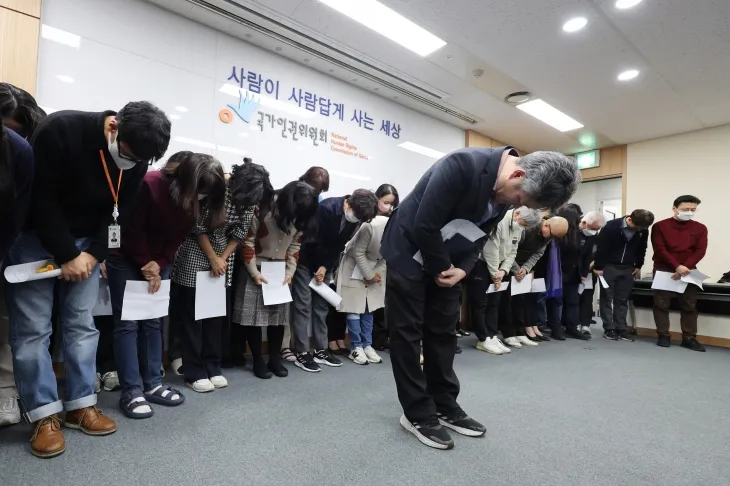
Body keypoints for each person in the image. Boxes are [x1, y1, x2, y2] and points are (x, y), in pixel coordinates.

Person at [380, 147, 580, 450]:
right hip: (408, 252)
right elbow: (425, 224)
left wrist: (462, 268)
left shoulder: (507, 188)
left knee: (444, 333)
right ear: (517, 174)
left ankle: (445, 405)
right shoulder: (460, 165)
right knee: (407, 334)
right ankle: (417, 413)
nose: (516, 205)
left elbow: (481, 232)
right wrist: (443, 267)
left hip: (449, 262)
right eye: (519, 200)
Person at [4, 101, 171, 458]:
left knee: (82, 325)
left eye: (142, 160)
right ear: (115, 128)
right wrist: (67, 253)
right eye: (128, 153)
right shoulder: (62, 129)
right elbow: (40, 198)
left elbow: (119, 212)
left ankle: (80, 405)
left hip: (88, 248)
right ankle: (44, 415)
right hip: (36, 240)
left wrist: (94, 254)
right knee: (33, 329)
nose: (131, 162)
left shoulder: (137, 157)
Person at [106, 152, 226, 418]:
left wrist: (160, 263)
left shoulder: (197, 198)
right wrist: (146, 263)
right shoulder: (149, 184)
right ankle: (131, 390)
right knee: (127, 324)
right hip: (126, 257)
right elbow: (130, 229)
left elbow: (180, 234)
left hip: (160, 261)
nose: (201, 200)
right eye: (200, 193)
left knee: (153, 321)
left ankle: (153, 383)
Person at [170, 160, 269, 392]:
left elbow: (240, 232)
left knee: (215, 317)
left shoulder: (249, 198)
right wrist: (213, 258)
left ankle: (213, 366)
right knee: (194, 319)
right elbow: (197, 227)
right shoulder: (216, 188)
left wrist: (222, 259)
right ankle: (194, 371)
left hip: (224, 257)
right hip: (196, 252)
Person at [234, 181, 318, 378]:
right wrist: (254, 272)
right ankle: (257, 361)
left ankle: (274, 359)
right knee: (255, 320)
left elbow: (294, 248)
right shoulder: (261, 210)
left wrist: (290, 272)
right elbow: (248, 242)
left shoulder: (301, 218)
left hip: (279, 272)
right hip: (256, 269)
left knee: (278, 320)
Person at [290, 190, 379, 372]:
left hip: (325, 265)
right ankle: (301, 352)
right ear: (349, 204)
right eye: (359, 216)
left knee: (321, 308)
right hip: (306, 261)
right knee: (303, 306)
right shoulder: (327, 208)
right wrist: (318, 267)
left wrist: (325, 267)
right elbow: (311, 240)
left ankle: (320, 350)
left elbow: (339, 246)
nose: (358, 220)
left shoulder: (356, 219)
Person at [466, 206, 541, 355]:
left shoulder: (519, 226)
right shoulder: (500, 220)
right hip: (482, 264)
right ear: (517, 213)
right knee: (481, 303)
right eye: (523, 223)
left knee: (495, 302)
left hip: (499, 268)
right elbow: (490, 249)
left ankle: (492, 335)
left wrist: (504, 270)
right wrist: (495, 273)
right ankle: (483, 338)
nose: (523, 227)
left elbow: (513, 251)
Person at [0, 119, 34, 427]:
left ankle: (5, 392)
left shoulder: (19, 149)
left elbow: (16, 216)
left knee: (8, 322)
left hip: (7, 244)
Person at [336, 204, 391, 366]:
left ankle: (367, 345)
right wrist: (369, 275)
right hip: (353, 267)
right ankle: (356, 346)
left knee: (369, 307)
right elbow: (357, 252)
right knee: (354, 307)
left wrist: (376, 275)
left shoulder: (400, 232)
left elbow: (389, 255)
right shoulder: (371, 226)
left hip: (375, 267)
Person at [651, 195, 708, 352]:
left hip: (689, 271)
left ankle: (689, 338)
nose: (689, 212)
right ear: (674, 208)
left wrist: (684, 267)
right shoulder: (660, 226)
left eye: (692, 210)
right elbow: (660, 249)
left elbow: (700, 250)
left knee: (690, 305)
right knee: (661, 304)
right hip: (664, 269)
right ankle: (663, 335)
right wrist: (676, 266)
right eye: (685, 209)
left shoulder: (700, 228)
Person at [593, 209, 655, 342]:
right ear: (630, 220)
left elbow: (642, 248)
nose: (640, 230)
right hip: (608, 266)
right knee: (606, 298)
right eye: (638, 227)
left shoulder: (642, 230)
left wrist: (638, 265)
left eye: (642, 228)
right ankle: (609, 329)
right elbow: (601, 248)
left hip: (628, 268)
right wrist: (598, 266)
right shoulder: (610, 226)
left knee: (622, 300)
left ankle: (621, 328)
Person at [507, 216, 569, 343]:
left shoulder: (548, 236)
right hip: (508, 265)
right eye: (551, 235)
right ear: (546, 225)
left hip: (524, 269)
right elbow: (509, 250)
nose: (551, 238)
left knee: (524, 300)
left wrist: (525, 269)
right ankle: (511, 333)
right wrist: (516, 269)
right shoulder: (527, 228)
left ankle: (523, 330)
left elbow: (538, 254)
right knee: (509, 302)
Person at [547, 206, 588, 340]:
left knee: (573, 301)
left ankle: (572, 327)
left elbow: (580, 256)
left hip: (573, 272)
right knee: (556, 301)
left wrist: (582, 272)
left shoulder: (578, 233)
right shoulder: (558, 233)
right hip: (558, 272)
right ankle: (556, 328)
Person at [371, 184, 399, 351]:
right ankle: (375, 339)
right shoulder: (368, 218)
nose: (389, 207)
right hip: (371, 265)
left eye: (392, 203)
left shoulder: (394, 218)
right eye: (386, 202)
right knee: (374, 305)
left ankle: (385, 337)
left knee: (387, 304)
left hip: (390, 265)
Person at [578, 211, 606, 335]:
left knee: (587, 297)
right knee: (574, 297)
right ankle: (574, 323)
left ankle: (585, 324)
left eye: (597, 229)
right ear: (585, 223)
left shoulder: (597, 237)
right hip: (575, 272)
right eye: (594, 228)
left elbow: (600, 253)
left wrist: (594, 264)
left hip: (590, 273)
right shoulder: (575, 234)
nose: (595, 231)